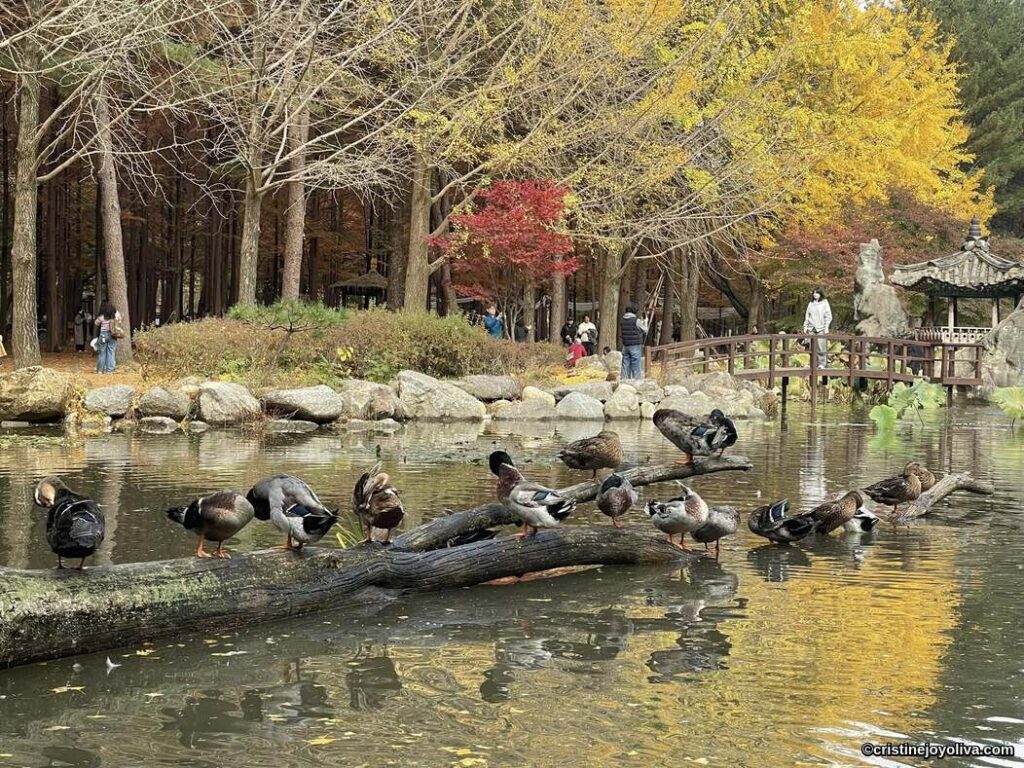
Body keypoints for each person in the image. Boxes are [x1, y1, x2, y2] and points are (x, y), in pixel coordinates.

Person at [803, 288, 832, 368]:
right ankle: (813, 363)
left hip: (821, 327)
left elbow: (828, 316)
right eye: (814, 293)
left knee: (821, 346)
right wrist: (805, 326)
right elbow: (807, 316)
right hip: (811, 327)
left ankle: (822, 363)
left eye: (817, 293)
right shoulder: (811, 303)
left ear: (820, 294)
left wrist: (826, 327)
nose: (815, 294)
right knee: (811, 346)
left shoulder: (825, 303)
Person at [619, 305, 650, 380]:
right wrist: (645, 322)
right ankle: (637, 381)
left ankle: (625, 381)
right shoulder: (636, 320)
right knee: (636, 364)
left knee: (625, 364)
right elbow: (645, 330)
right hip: (635, 345)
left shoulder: (622, 320)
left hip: (625, 345)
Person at [94, 302, 122, 374]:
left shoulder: (102, 317)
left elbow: (96, 323)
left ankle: (100, 370)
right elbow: (120, 320)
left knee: (102, 353)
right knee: (111, 352)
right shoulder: (115, 315)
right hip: (113, 335)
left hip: (103, 335)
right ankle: (110, 370)